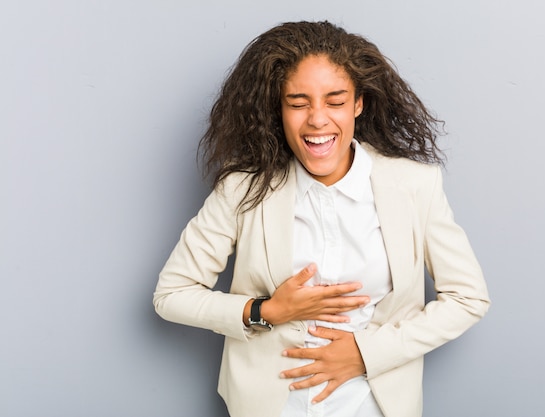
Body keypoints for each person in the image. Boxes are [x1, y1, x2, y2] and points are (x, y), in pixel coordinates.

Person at [154, 20, 490, 417]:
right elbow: (171, 296)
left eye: (335, 101)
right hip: (269, 406)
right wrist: (265, 311)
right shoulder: (243, 189)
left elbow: (469, 298)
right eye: (298, 103)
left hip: (375, 404)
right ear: (278, 109)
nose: (317, 119)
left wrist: (365, 353)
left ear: (358, 104)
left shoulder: (414, 186)